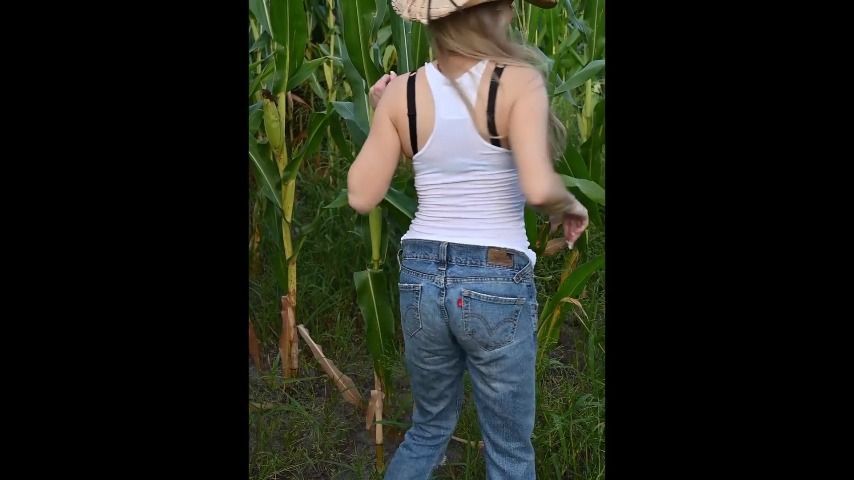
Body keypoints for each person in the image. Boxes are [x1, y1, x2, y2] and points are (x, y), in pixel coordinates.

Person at [347, 1, 588, 478]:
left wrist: (383, 114)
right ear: (496, 13)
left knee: (428, 429)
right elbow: (539, 188)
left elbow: (360, 194)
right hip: (494, 276)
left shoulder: (405, 93)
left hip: (420, 276)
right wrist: (572, 206)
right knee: (509, 450)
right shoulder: (517, 81)